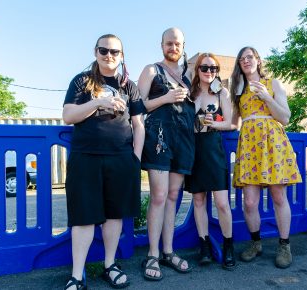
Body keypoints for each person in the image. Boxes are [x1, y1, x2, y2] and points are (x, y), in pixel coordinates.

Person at [62, 34, 145, 289]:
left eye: (115, 52)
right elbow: (68, 116)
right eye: (104, 50)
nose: (109, 55)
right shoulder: (82, 81)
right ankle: (77, 275)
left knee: (114, 216)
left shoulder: (128, 85)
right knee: (83, 217)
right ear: (95, 51)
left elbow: (138, 125)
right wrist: (99, 101)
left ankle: (109, 265)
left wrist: (135, 159)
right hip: (86, 157)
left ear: (122, 56)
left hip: (121, 158)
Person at [230, 47, 302, 269]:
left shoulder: (273, 83)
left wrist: (266, 97)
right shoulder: (238, 90)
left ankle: (284, 245)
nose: (246, 61)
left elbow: (286, 117)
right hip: (249, 145)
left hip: (272, 142)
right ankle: (256, 243)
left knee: (279, 197)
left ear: (258, 60)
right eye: (242, 59)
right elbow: (234, 123)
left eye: (249, 57)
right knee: (250, 202)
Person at [137, 27, 194, 281]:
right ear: (161, 45)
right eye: (169, 43)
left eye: (178, 44)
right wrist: (167, 97)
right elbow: (137, 105)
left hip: (183, 140)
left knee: (173, 196)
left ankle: (168, 251)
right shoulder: (152, 70)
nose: (173, 48)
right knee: (159, 196)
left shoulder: (189, 75)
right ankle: (152, 253)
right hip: (158, 137)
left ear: (183, 46)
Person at [183, 53, 235, 270]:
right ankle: (204, 245)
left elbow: (232, 123)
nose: (209, 71)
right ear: (197, 69)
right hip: (194, 150)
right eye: (204, 67)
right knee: (199, 201)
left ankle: (228, 246)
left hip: (214, 150)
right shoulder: (190, 93)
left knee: (222, 203)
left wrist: (214, 124)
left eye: (213, 68)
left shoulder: (221, 92)